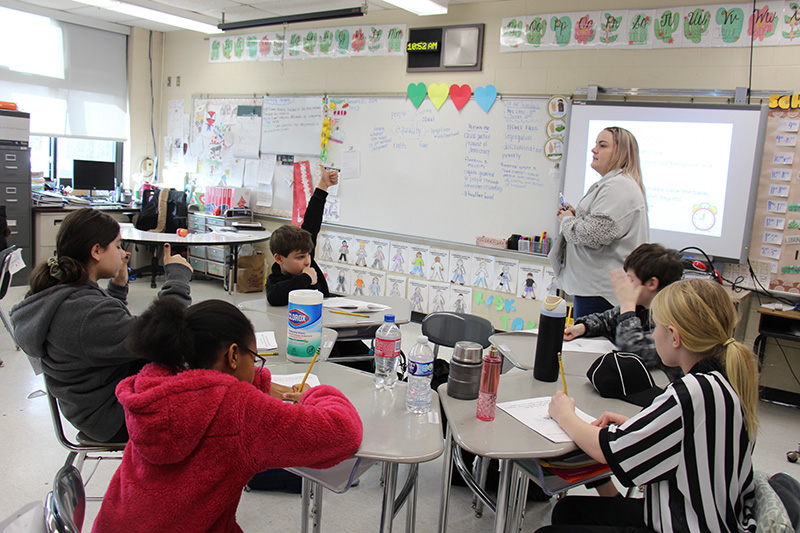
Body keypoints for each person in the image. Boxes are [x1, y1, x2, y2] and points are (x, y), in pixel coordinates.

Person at [92, 298, 362, 532]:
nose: (256, 367)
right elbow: (342, 432)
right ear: (233, 355)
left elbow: (206, 388)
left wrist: (259, 383)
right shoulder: (238, 411)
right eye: (254, 359)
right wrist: (313, 395)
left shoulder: (153, 386)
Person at [537, 279, 759, 533]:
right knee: (569, 511)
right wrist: (640, 428)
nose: (653, 334)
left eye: (657, 328)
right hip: (713, 519)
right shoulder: (725, 381)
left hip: (683, 525)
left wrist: (565, 414)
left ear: (674, 337)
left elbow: (610, 451)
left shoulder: (688, 393)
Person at [10, 208, 192, 443]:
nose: (122, 252)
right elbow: (162, 332)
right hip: (111, 417)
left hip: (92, 404)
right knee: (210, 399)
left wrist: (117, 288)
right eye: (117, 246)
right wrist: (177, 277)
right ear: (96, 251)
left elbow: (102, 337)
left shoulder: (63, 294)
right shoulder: (86, 313)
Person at [553, 126, 649, 319]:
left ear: (620, 152)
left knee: (593, 347)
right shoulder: (612, 184)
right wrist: (575, 216)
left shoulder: (618, 187)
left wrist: (567, 220)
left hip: (600, 294)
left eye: (602, 145)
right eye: (595, 144)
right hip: (594, 289)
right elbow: (600, 226)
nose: (594, 150)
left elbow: (592, 234)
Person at [564, 243, 684, 381]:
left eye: (631, 280)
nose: (626, 285)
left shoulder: (672, 318)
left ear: (651, 283)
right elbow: (606, 320)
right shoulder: (641, 307)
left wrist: (627, 305)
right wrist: (582, 327)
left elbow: (632, 354)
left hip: (664, 386)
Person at [266, 165, 338, 306]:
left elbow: (312, 221)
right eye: (300, 257)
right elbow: (274, 297)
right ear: (279, 258)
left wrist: (323, 185)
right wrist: (305, 278)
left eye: (307, 255)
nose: (307, 262)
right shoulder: (276, 280)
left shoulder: (304, 252)